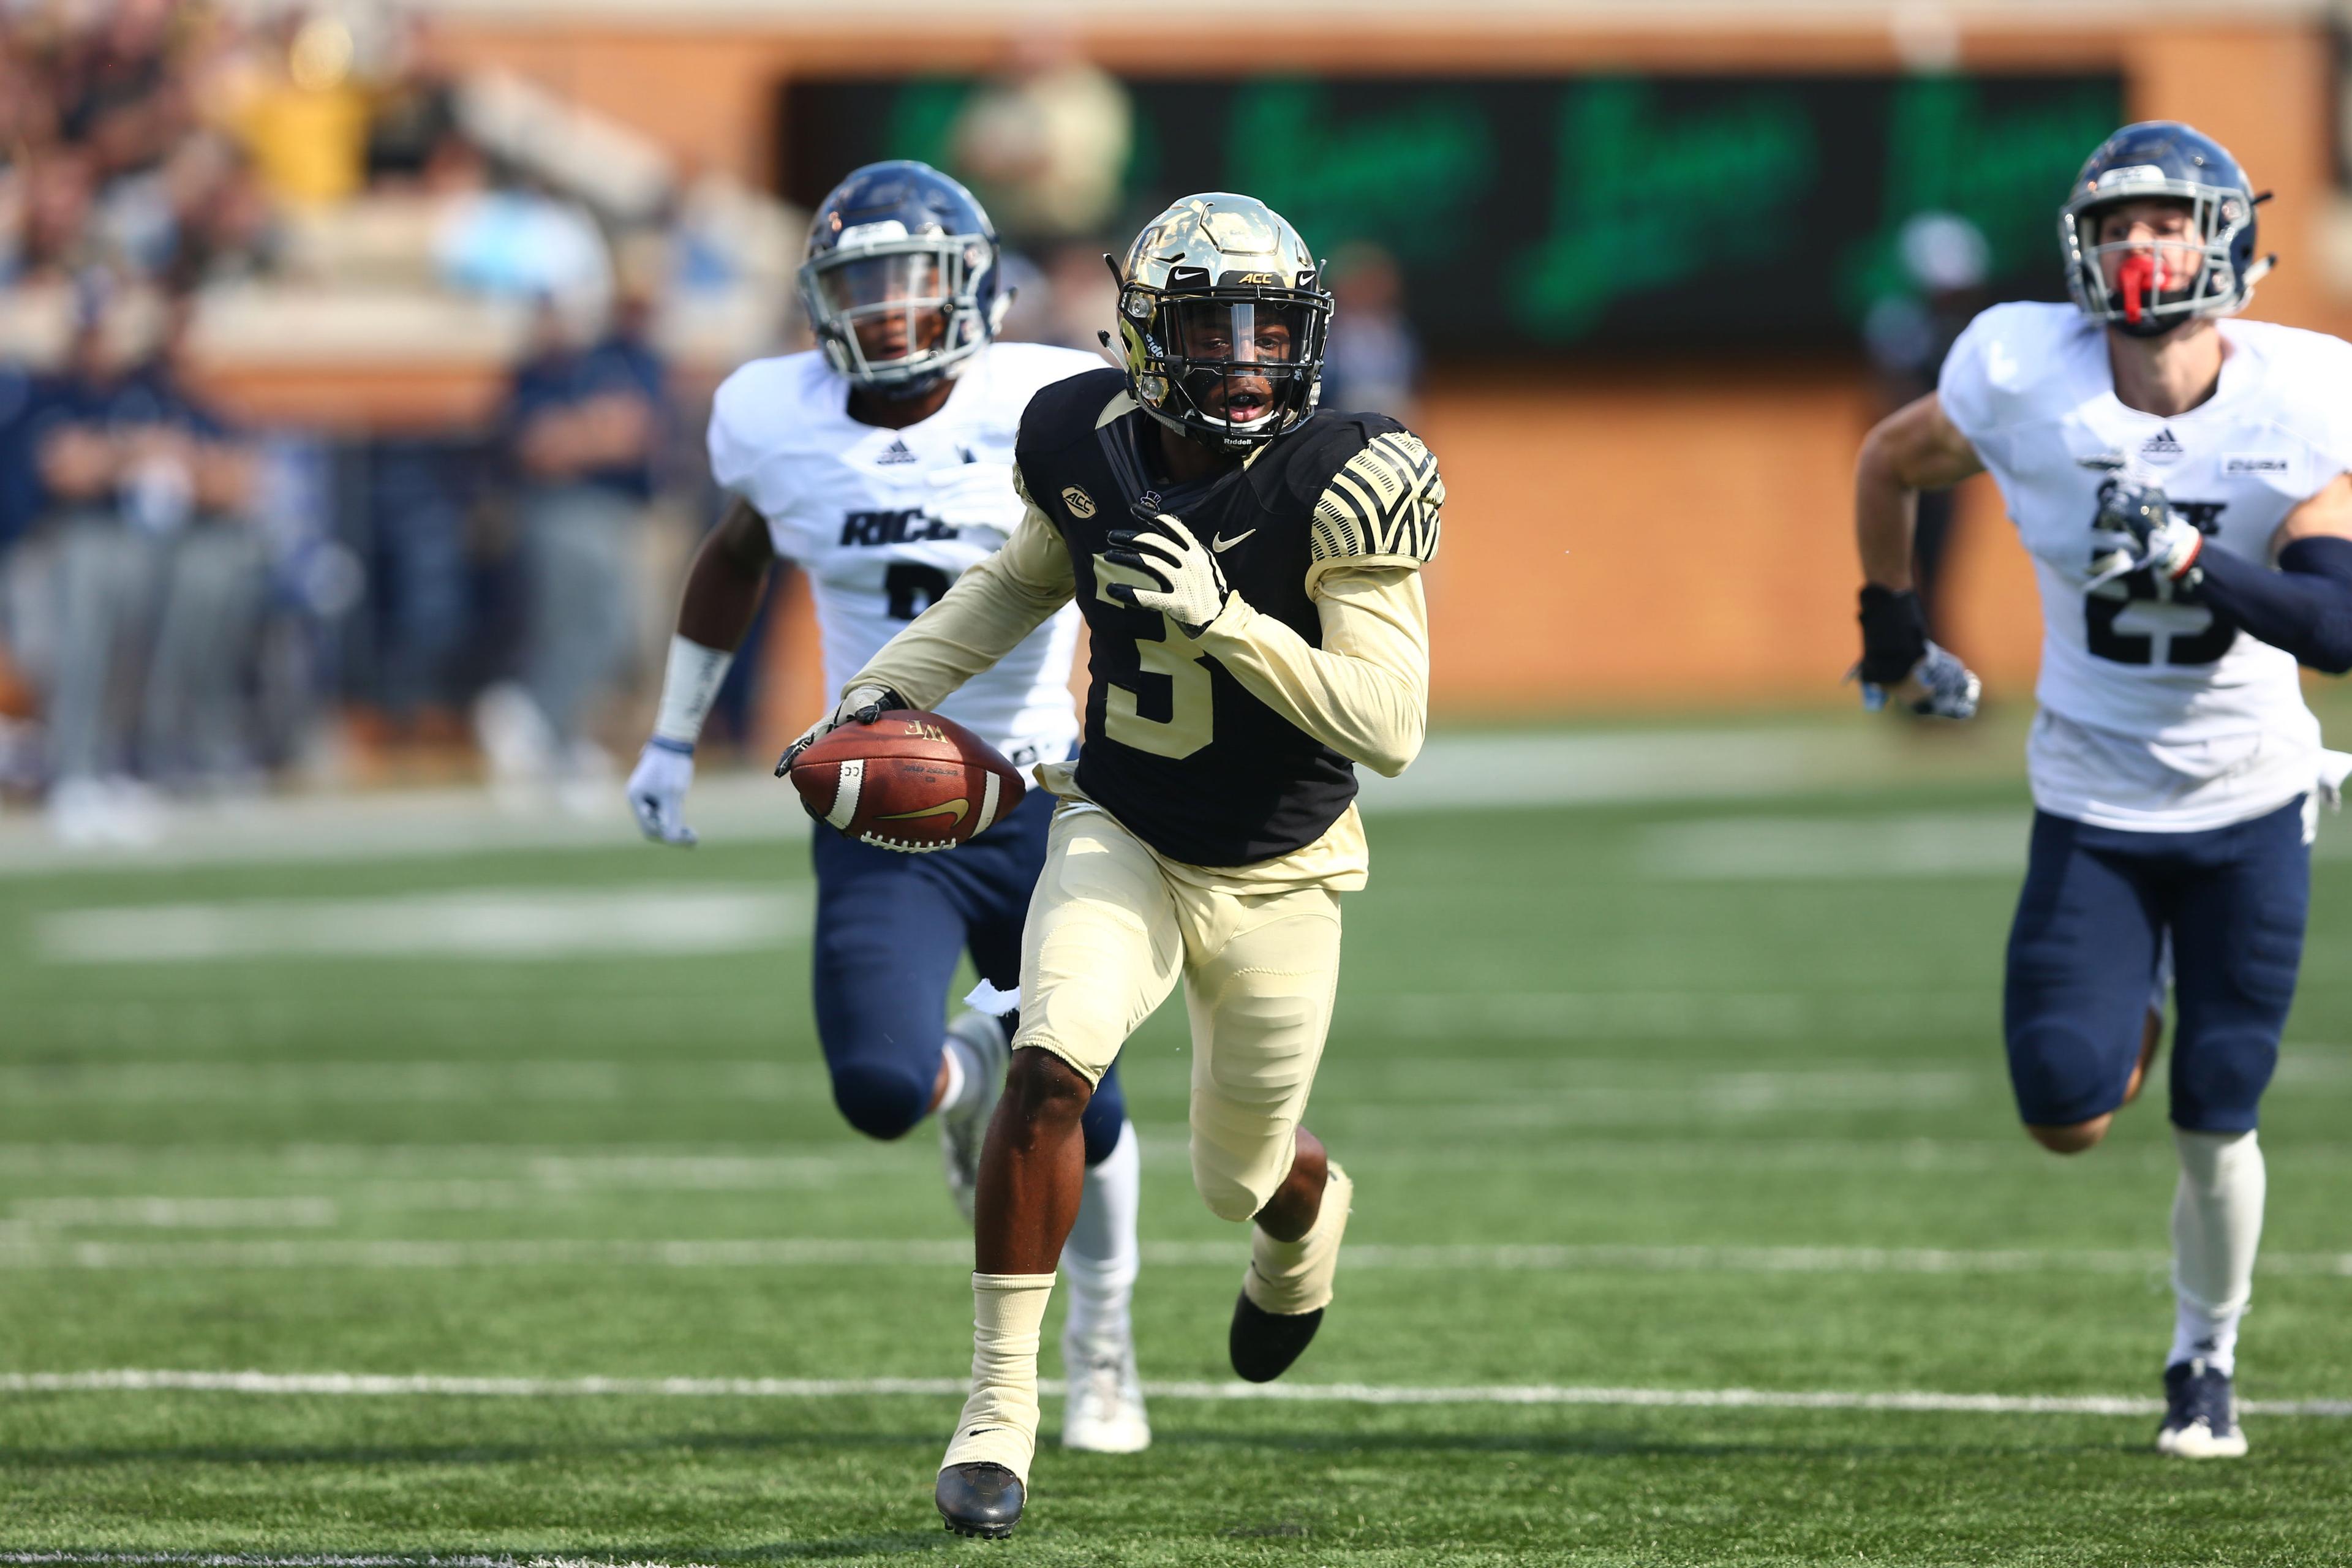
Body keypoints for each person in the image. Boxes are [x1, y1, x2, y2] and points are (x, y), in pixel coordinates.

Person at [793, 191, 1443, 1538]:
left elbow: (1392, 726)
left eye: (1272, 323)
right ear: (1150, 335)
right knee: (1048, 1063)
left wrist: (1223, 620)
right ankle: (997, 1409)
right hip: (1123, 823)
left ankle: (1305, 1220)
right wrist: (885, 687)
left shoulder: (1348, 470)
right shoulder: (1081, 436)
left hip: (1282, 864)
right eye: (1216, 324)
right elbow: (1022, 574)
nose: (1250, 353)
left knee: (1237, 1171)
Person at [623, 162, 1152, 1456]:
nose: (893, 310)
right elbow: (738, 553)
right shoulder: (774, 415)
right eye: (863, 283)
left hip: (1042, 794)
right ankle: (966, 1069)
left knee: (1086, 1100)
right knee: (873, 1087)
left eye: (915, 278)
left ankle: (1104, 1340)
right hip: (879, 798)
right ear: (820, 298)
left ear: (972, 285)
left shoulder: (1052, 400)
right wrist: (673, 731)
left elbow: (1143, 564)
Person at [1850, 122, 2352, 1461]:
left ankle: (2206, 1354)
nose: (2141, 246)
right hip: (2094, 798)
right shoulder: (2023, 376)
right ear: (2082, 244)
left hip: (2250, 799)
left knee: (2218, 1109)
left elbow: (2337, 628)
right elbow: (1890, 460)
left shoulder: (2299, 398)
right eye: (2118, 223)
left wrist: (2194, 552)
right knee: (2066, 1110)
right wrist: (1891, 622)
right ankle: (2129, 994)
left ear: (2225, 240)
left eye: (2167, 222)